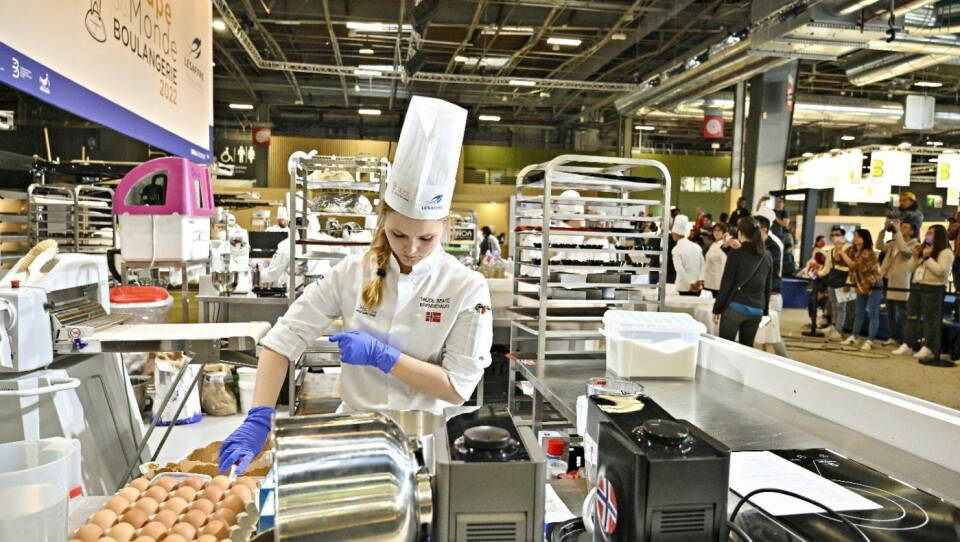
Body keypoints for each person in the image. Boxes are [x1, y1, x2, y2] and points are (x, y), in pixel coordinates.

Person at [218, 96, 493, 474]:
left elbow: (456, 387)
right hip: (352, 435)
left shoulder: (466, 287)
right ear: (382, 221)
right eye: (398, 234)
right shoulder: (351, 273)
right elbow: (283, 340)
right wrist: (259, 417)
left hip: (424, 444)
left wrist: (385, 357)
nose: (410, 249)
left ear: (444, 227)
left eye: (426, 239)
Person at [895, 225, 954, 361]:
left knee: (930, 319)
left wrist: (927, 258)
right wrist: (916, 257)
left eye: (931, 233)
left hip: (933, 288)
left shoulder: (945, 252)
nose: (928, 235)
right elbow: (910, 268)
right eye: (927, 233)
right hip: (916, 285)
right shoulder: (924, 250)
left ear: (939, 235)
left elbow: (941, 271)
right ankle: (908, 343)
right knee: (911, 316)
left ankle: (928, 347)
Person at [712, 218, 772, 347]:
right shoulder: (767, 255)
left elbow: (727, 283)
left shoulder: (736, 252)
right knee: (747, 349)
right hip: (757, 310)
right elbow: (768, 286)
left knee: (726, 347)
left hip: (736, 307)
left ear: (740, 233)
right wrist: (765, 311)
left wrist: (717, 308)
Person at [838, 229, 883, 350]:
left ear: (864, 239)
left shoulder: (868, 252)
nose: (855, 238)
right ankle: (854, 336)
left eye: (858, 236)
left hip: (873, 283)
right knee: (859, 312)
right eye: (855, 235)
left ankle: (870, 340)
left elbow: (854, 264)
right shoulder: (852, 250)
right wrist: (839, 248)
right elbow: (841, 260)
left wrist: (841, 252)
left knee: (873, 312)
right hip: (860, 284)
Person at [753, 209, 788, 357]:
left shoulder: (774, 245)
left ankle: (787, 364)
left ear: (764, 228)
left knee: (774, 337)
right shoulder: (756, 243)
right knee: (758, 334)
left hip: (772, 296)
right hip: (759, 295)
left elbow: (765, 267)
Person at [879, 219, 917, 348]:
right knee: (890, 310)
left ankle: (907, 340)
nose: (901, 229)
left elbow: (904, 251)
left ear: (912, 231)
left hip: (901, 281)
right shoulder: (894, 242)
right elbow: (879, 246)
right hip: (887, 278)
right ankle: (893, 336)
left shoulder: (915, 244)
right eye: (901, 227)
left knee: (903, 311)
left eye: (905, 227)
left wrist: (898, 233)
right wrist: (883, 231)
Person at [822, 227, 853, 342]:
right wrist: (818, 274)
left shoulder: (849, 248)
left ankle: (839, 330)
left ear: (843, 235)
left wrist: (848, 282)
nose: (835, 237)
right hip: (833, 279)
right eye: (833, 235)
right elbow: (827, 266)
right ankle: (835, 327)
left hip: (843, 280)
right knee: (833, 304)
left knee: (841, 307)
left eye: (838, 234)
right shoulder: (831, 250)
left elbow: (851, 266)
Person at [670, 215, 704, 296]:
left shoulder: (676, 249)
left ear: (674, 234)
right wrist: (699, 282)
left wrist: (691, 283)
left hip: (683, 287)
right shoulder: (697, 247)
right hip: (697, 288)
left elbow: (680, 270)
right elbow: (703, 265)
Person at [703, 222, 730, 296]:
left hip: (717, 284)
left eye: (719, 231)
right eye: (715, 230)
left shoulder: (724, 245)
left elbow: (725, 265)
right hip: (707, 282)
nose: (716, 233)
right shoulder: (713, 244)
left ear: (724, 232)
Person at [946, 206, 960, 320]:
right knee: (958, 287)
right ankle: (957, 314)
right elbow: (949, 235)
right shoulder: (958, 215)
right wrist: (953, 222)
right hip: (958, 257)